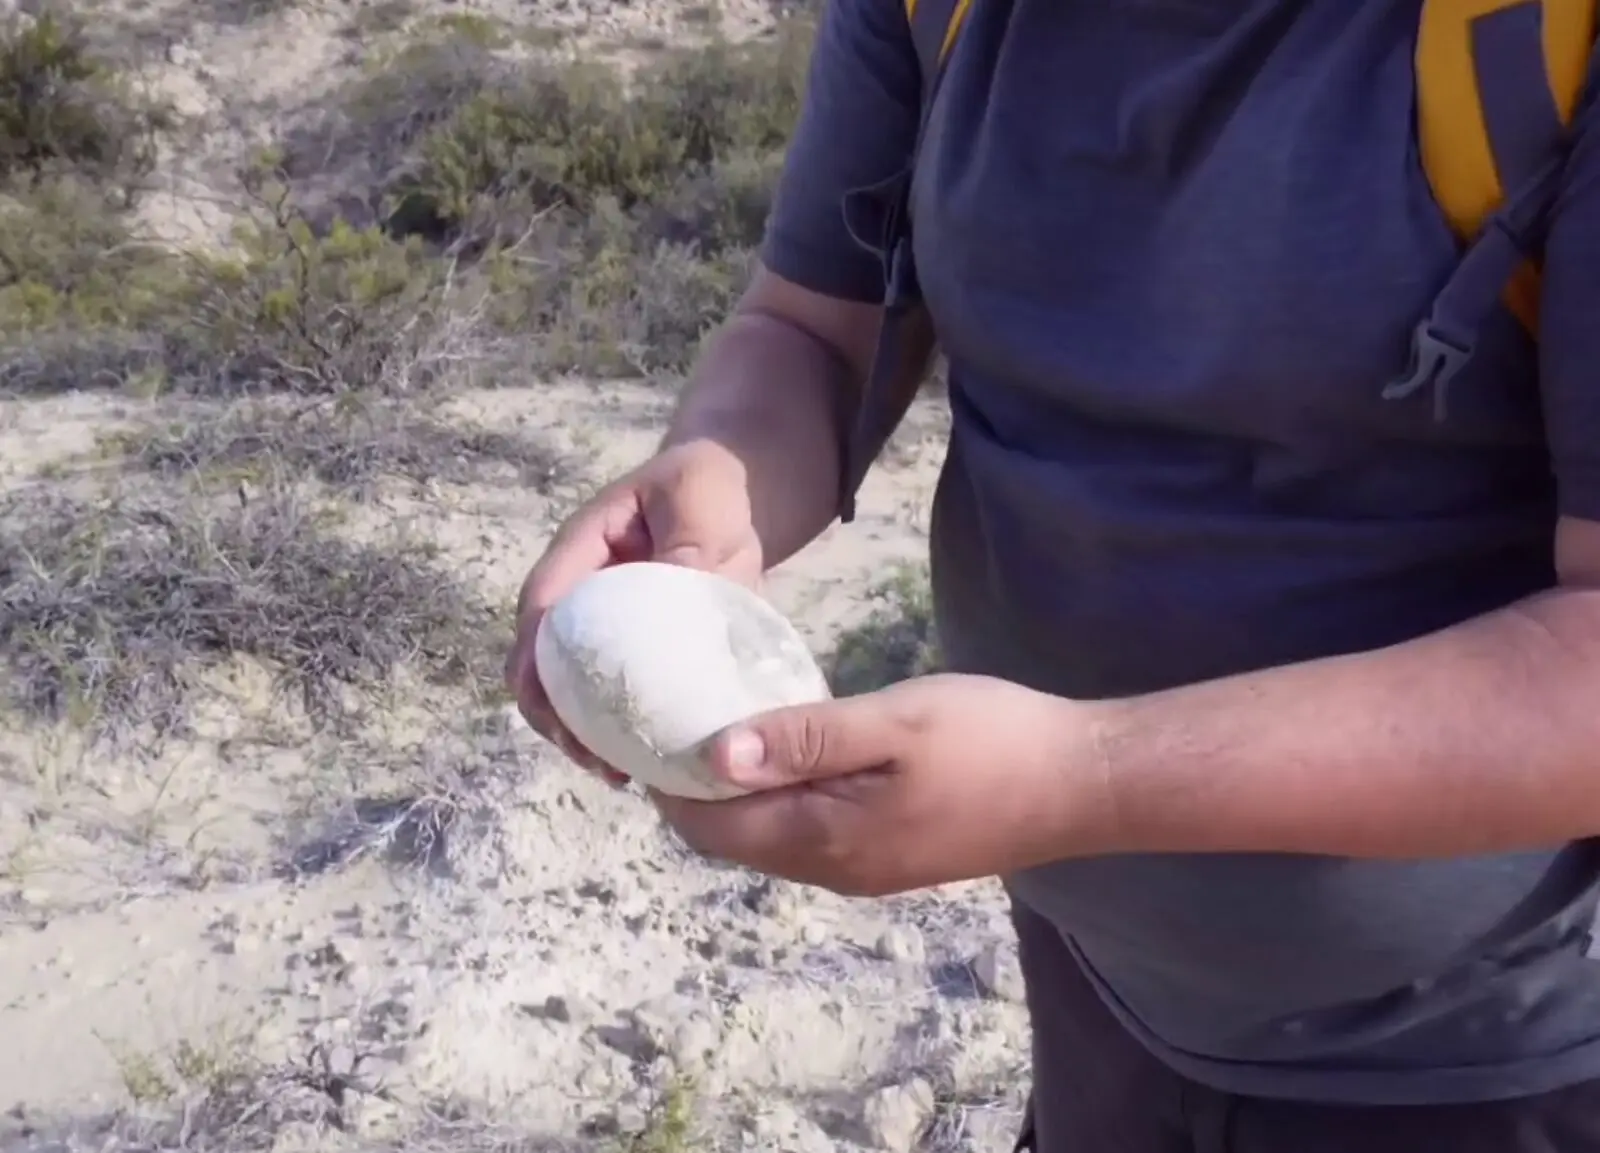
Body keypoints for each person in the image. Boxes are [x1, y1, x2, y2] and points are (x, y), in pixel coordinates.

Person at [505, 0, 1600, 1148]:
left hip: (1493, 1052)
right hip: (1094, 978)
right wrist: (717, 483)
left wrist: (1088, 780)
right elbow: (812, 329)